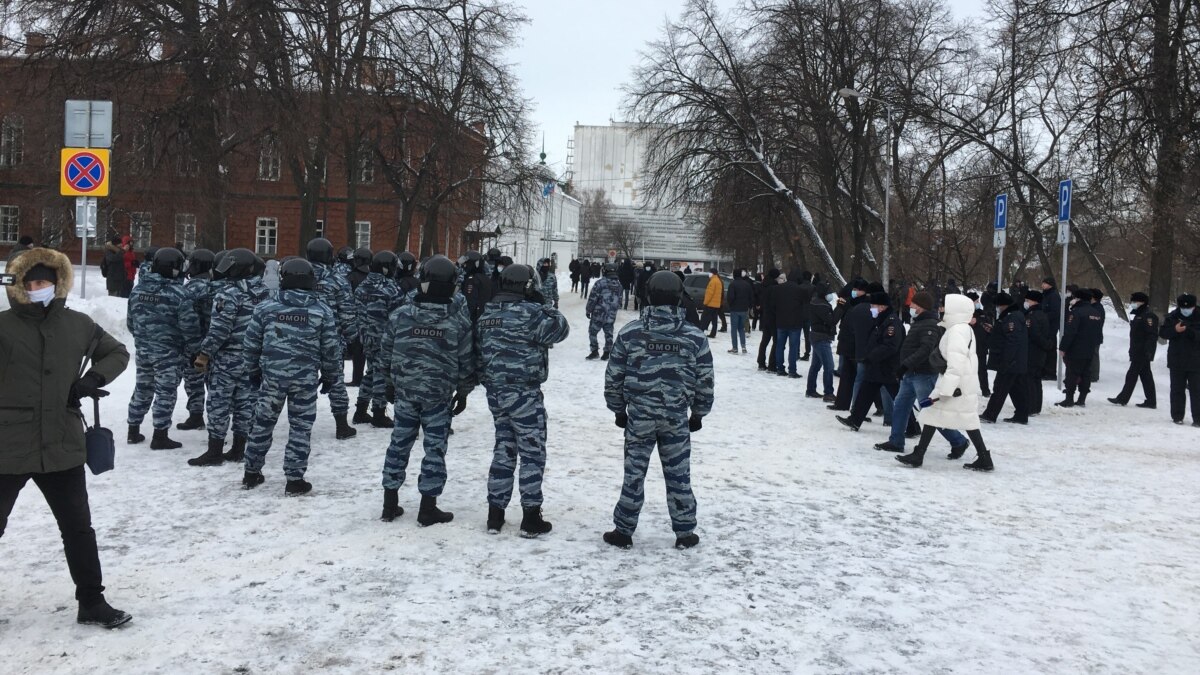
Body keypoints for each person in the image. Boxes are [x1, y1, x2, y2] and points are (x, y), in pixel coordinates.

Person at [0, 247, 132, 628]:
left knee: (77, 527)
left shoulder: (78, 325)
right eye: (32, 282)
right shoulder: (3, 327)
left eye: (45, 281)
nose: (38, 287)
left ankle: (91, 601)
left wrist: (93, 378)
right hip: (8, 446)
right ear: (19, 287)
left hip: (61, 443)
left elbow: (117, 352)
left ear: (57, 284)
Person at [602, 271, 713, 550]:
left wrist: (618, 410)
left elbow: (613, 376)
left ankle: (623, 531)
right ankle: (685, 532)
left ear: (648, 295)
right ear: (679, 297)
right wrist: (698, 414)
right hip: (676, 418)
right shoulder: (694, 336)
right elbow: (705, 380)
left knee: (634, 474)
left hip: (639, 416)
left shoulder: (631, 332)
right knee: (679, 474)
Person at [379, 255, 476, 525]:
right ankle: (427, 508)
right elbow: (467, 361)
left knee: (399, 444)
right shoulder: (458, 321)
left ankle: (389, 504)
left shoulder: (401, 315)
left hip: (406, 393)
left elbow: (384, 353)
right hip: (438, 396)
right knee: (434, 450)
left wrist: (387, 384)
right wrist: (464, 391)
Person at [477, 265, 570, 537]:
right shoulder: (533, 314)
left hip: (496, 393)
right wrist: (545, 305)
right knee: (532, 452)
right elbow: (561, 329)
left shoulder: (487, 316)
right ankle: (531, 517)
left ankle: (495, 514)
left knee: (503, 448)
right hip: (525, 393)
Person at [240, 259, 341, 495]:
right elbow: (330, 348)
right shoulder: (321, 310)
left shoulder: (266, 308)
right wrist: (330, 376)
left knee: (262, 424)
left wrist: (253, 371)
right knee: (300, 428)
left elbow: (251, 344)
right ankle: (294, 480)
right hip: (304, 381)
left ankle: (251, 473)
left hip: (272, 379)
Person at [187, 249, 272, 466]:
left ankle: (215, 451)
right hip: (253, 359)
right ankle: (238, 449)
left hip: (227, 360)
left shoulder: (228, 293)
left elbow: (219, 330)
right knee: (246, 404)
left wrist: (204, 353)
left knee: (218, 404)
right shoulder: (265, 293)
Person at [896, 293, 992, 471]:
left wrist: (946, 389)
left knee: (937, 415)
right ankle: (983, 457)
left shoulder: (957, 331)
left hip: (955, 384)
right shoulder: (962, 329)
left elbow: (955, 364)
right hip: (961, 383)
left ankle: (919, 454)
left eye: (945, 307)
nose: (941, 310)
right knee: (956, 419)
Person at [126, 248, 202, 450]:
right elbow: (189, 327)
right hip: (169, 353)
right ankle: (160, 435)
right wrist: (195, 350)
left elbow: (130, 323)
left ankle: (133, 430)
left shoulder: (138, 290)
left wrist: (144, 339)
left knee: (142, 387)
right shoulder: (178, 294)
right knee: (165, 392)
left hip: (143, 350)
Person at [876, 291, 969, 455]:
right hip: (911, 374)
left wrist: (905, 365)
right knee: (900, 406)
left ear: (921, 307)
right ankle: (896, 441)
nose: (910, 306)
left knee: (930, 412)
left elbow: (925, 349)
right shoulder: (919, 322)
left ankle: (959, 441)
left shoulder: (930, 324)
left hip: (923, 375)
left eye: (913, 304)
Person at [307, 238, 359, 440]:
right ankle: (341, 425)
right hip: (331, 338)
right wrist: (352, 337)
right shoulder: (337, 279)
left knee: (304, 381)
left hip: (302, 339)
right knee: (336, 380)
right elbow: (347, 312)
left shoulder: (297, 274)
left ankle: (302, 422)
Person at [836, 292, 908, 432]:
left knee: (899, 399)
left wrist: (871, 357)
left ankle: (912, 427)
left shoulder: (892, 322)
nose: (871, 309)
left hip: (888, 367)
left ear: (882, 307)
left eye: (873, 306)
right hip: (877, 366)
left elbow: (890, 346)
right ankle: (855, 420)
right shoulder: (882, 320)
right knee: (865, 392)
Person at [353, 251, 403, 428]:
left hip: (366, 338)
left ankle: (360, 410)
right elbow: (399, 316)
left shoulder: (362, 287)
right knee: (382, 374)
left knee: (371, 372)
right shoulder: (390, 288)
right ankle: (379, 414)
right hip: (384, 339)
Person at [177, 248, 217, 432]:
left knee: (193, 380)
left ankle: (196, 415)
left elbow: (187, 320)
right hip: (215, 343)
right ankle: (218, 417)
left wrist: (195, 348)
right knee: (215, 383)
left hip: (194, 343)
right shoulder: (219, 287)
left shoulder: (190, 289)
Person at [980, 292, 1029, 424]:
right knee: (1015, 388)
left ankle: (990, 414)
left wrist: (1006, 361)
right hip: (1014, 360)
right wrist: (993, 330)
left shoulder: (1012, 318)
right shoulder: (1011, 316)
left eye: (998, 306)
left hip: (1010, 361)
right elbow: (1005, 334)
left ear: (1003, 305)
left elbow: (1012, 340)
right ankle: (1021, 415)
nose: (997, 308)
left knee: (1000, 388)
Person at [1107, 292, 1158, 409]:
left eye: (1135, 301)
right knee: (1146, 376)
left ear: (1142, 302)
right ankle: (1151, 401)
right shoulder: (1139, 315)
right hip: (1137, 350)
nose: (1133, 304)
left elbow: (1151, 336)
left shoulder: (1148, 316)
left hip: (1142, 352)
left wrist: (1148, 351)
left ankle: (1122, 398)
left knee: (1132, 375)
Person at [1057, 288, 1104, 408]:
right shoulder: (1096, 313)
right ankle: (1082, 398)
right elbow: (1098, 333)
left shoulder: (1076, 313)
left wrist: (1063, 347)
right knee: (1085, 373)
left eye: (1074, 297)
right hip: (1089, 348)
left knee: (1072, 373)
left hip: (1076, 348)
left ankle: (1069, 399)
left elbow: (1070, 332)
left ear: (1079, 298)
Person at [1159, 294, 1199, 426]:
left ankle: (1198, 418)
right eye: (1183, 307)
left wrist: (1190, 332)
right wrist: (1175, 330)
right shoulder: (1173, 316)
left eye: (1189, 307)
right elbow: (1163, 333)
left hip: (1196, 361)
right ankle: (1177, 416)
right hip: (1176, 359)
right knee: (1177, 389)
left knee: (1196, 390)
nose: (1185, 310)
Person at [344, 247, 372, 388]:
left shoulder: (351, 277)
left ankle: (357, 378)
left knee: (357, 350)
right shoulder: (374, 277)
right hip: (373, 320)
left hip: (356, 318)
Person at [1022, 290, 1053, 416]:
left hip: (1033, 351)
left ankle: (1031, 406)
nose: (1026, 303)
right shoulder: (1042, 314)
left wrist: (1045, 344)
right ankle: (1036, 406)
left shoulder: (1032, 315)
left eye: (1027, 300)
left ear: (1033, 301)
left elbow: (1034, 334)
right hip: (1040, 352)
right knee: (1036, 379)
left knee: (1030, 379)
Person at [806, 283, 837, 400]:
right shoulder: (821, 305)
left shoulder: (816, 302)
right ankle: (828, 392)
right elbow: (831, 320)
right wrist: (839, 308)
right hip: (821, 337)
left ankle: (810, 389)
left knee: (815, 365)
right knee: (829, 366)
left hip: (816, 336)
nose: (830, 295)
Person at [585, 262, 623, 360]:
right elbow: (620, 301)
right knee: (609, 333)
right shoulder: (619, 285)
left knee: (593, 332)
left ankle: (594, 351)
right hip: (611, 314)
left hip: (599, 313)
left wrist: (589, 310)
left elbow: (593, 298)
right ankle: (607, 353)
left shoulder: (600, 283)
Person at [772, 272, 806, 378]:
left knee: (779, 346)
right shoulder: (800, 290)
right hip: (795, 323)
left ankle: (780, 369)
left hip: (781, 322)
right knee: (793, 347)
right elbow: (804, 306)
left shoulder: (778, 289)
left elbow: (774, 305)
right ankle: (792, 370)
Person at [966, 291, 993, 397]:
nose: (978, 303)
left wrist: (978, 321)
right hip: (968, 347)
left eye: (978, 301)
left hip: (981, 346)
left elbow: (986, 325)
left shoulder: (981, 313)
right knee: (967, 371)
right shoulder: (964, 314)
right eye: (976, 301)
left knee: (982, 370)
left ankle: (985, 390)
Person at [757, 269, 781, 371]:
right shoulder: (775, 287)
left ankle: (761, 362)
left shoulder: (763, 284)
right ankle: (772, 364)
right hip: (773, 317)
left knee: (764, 340)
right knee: (776, 341)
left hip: (765, 316)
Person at [726, 269, 753, 354]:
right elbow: (751, 296)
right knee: (741, 328)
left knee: (734, 329)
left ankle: (735, 348)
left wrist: (731, 305)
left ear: (734, 275)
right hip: (744, 309)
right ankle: (743, 346)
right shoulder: (747, 284)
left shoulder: (732, 284)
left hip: (735, 309)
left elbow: (730, 297)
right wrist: (749, 306)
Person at [1040, 277, 1062, 380]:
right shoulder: (1045, 295)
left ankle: (1050, 372)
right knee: (1044, 348)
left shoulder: (1054, 296)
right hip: (1044, 326)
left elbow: (1055, 312)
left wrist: (1043, 316)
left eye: (1045, 283)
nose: (1043, 285)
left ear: (1050, 285)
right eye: (1043, 283)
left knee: (1051, 350)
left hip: (1051, 327)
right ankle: (1044, 370)